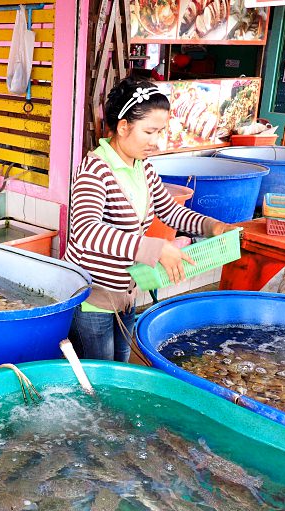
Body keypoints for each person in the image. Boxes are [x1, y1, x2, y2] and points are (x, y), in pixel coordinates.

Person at [65, 76, 234, 362]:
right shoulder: (95, 170)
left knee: (122, 366)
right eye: (149, 132)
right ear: (122, 127)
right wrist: (154, 249)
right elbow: (86, 230)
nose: (156, 142)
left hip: (127, 292)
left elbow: (170, 211)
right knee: (100, 377)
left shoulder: (143, 168)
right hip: (92, 301)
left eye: (161, 132)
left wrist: (211, 225)